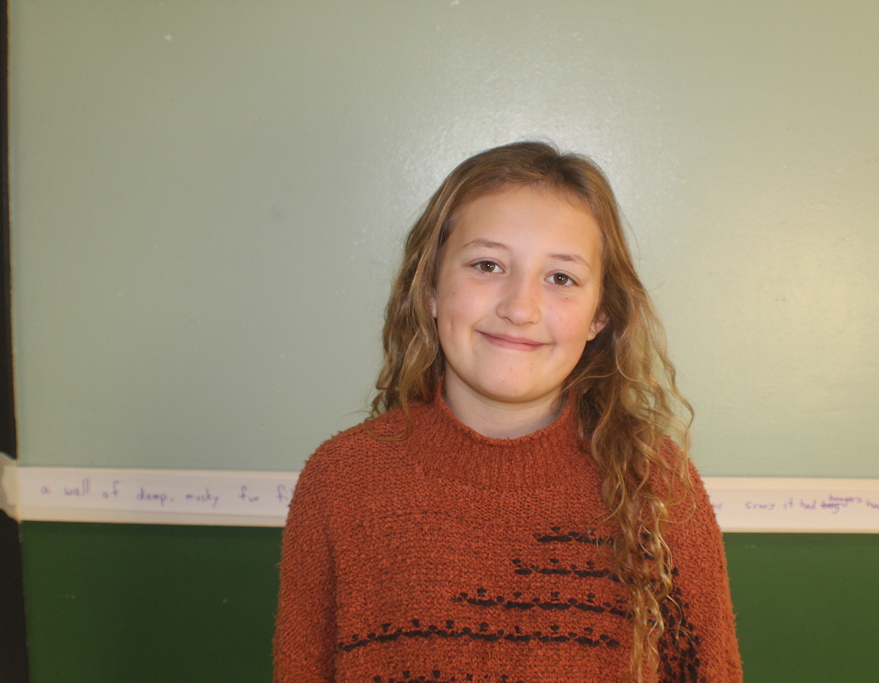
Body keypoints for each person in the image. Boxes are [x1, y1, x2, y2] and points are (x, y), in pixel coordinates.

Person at [273, 141, 742, 682]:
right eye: (488, 265)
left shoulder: (657, 484)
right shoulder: (342, 481)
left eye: (561, 278)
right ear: (429, 289)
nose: (520, 308)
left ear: (599, 317)